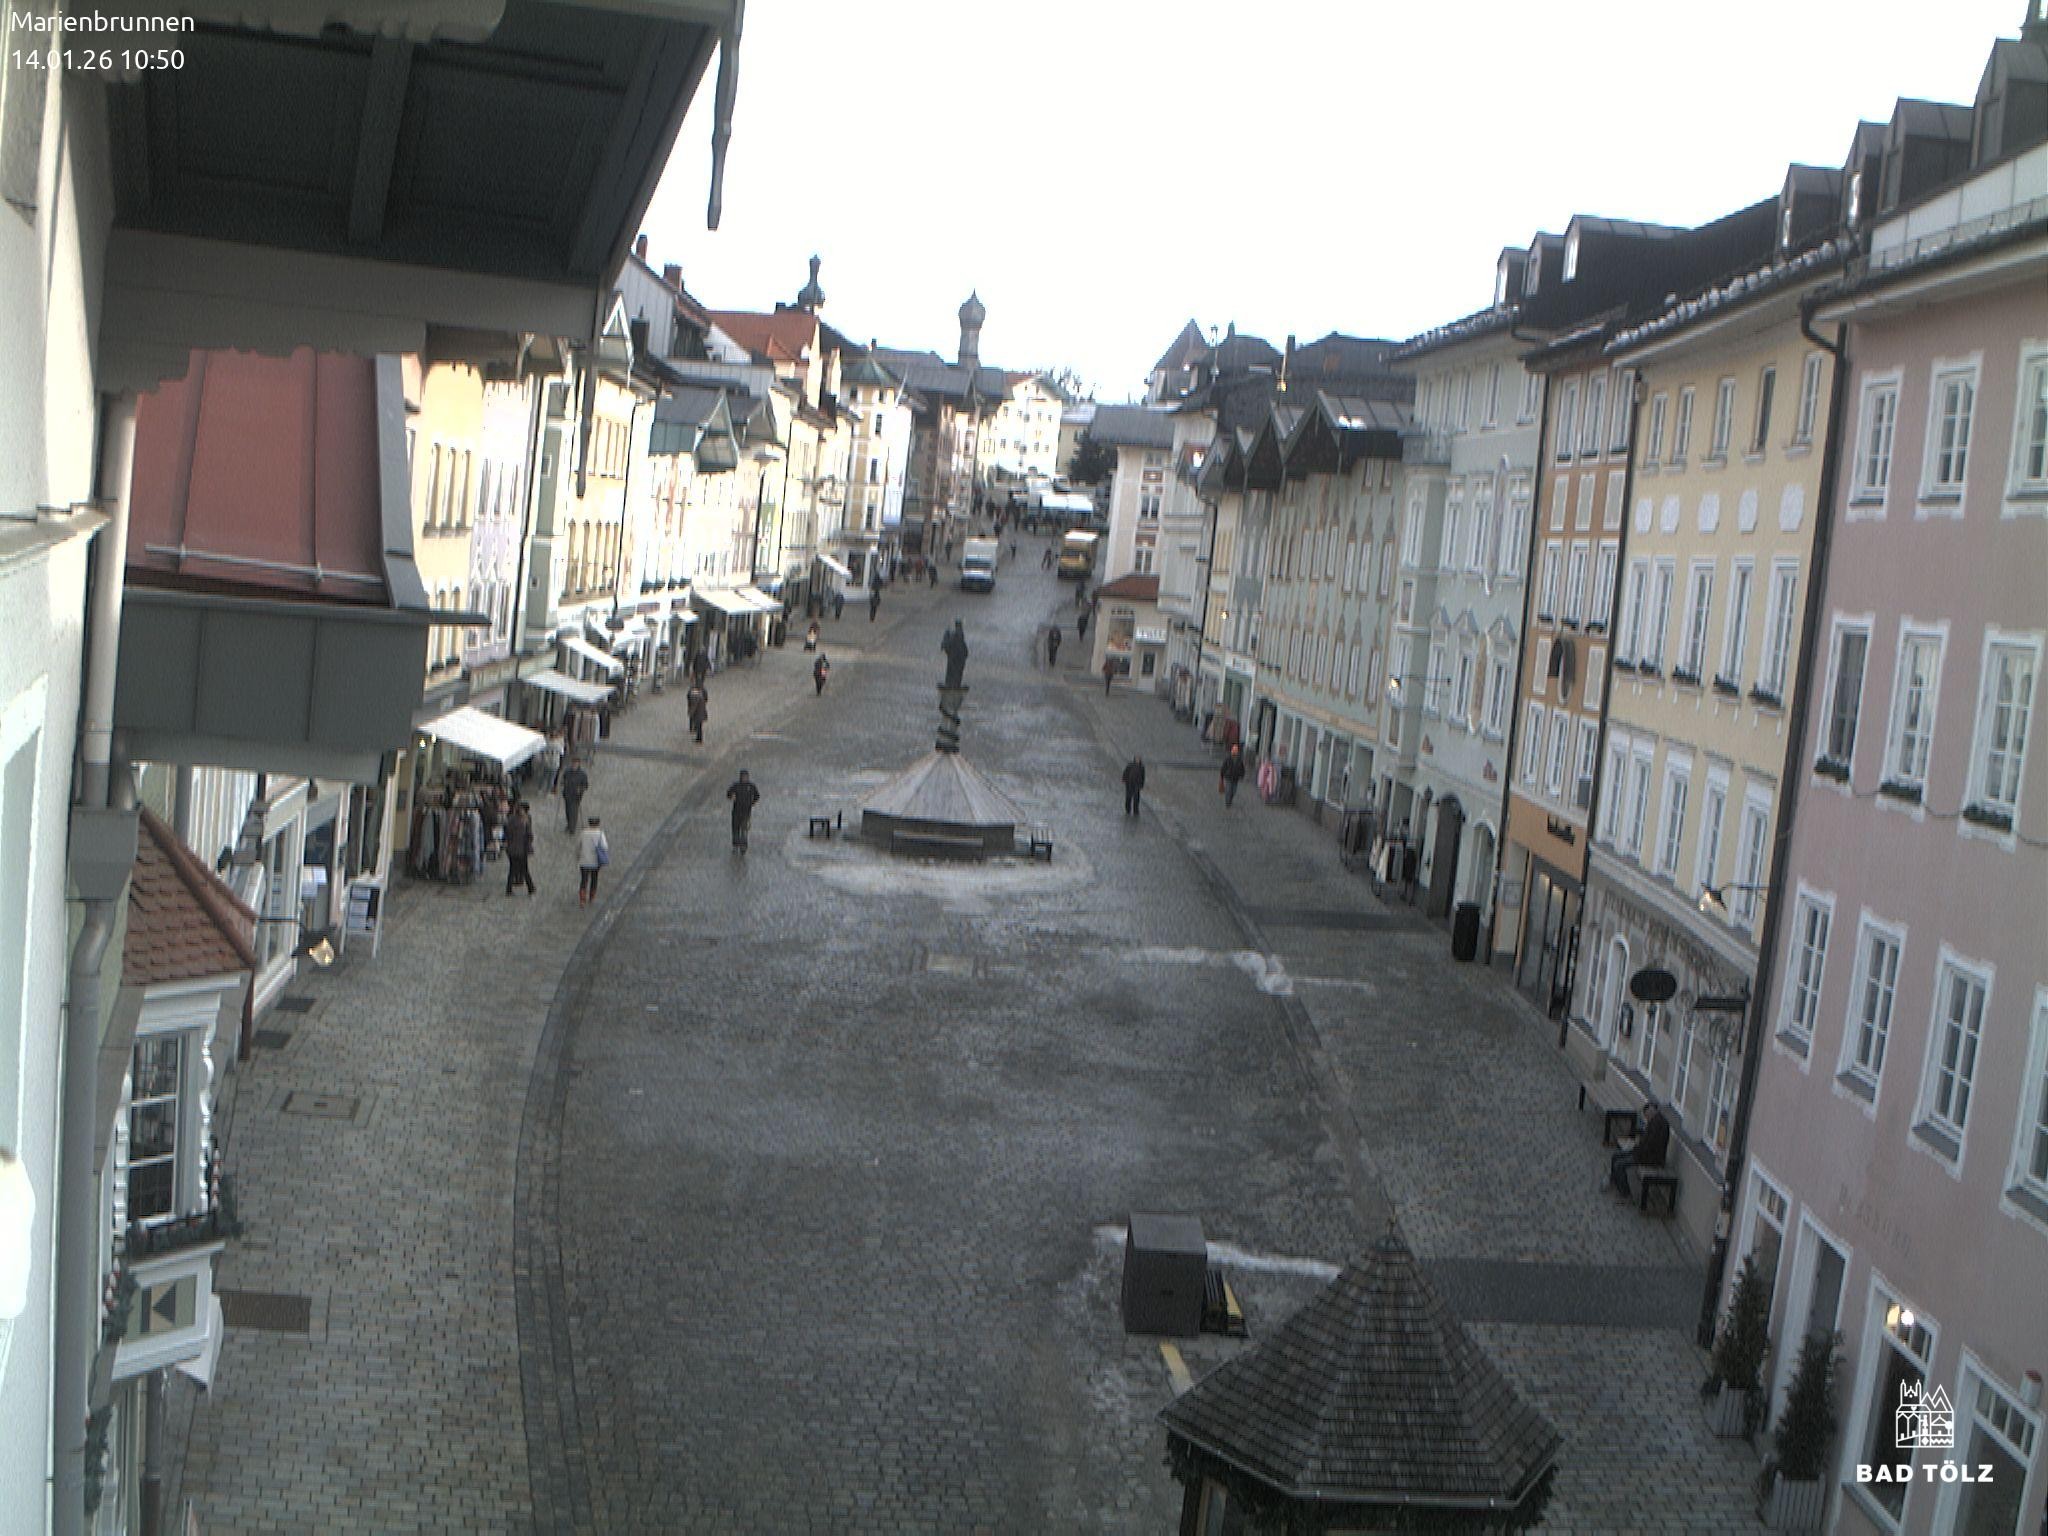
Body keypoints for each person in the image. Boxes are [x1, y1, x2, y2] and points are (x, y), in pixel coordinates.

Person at [1610, 1102, 1671, 1198]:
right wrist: (1635, 1146)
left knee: (1619, 1164)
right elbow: (1646, 1142)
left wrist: (1635, 1150)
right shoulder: (1655, 1121)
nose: (1646, 1118)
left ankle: (1625, 1194)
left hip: (1651, 1158)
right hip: (1644, 1153)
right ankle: (1615, 1180)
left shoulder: (1658, 1124)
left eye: (1646, 1116)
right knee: (1616, 1155)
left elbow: (1650, 1146)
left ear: (1651, 1112)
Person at [503, 801, 536, 895]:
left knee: (512, 869)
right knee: (525, 869)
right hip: (521, 849)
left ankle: (509, 889)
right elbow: (529, 836)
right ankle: (531, 888)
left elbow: (506, 833)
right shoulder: (524, 822)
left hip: (511, 849)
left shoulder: (510, 820)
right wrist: (529, 847)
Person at [575, 816, 609, 905]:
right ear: (598, 824)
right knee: (594, 879)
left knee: (584, 879)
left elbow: (578, 846)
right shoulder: (600, 834)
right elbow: (605, 847)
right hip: (595, 861)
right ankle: (592, 897)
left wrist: (578, 857)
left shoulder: (583, 833)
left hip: (584, 860)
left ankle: (582, 899)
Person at [726, 769, 761, 853]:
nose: (744, 778)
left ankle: (743, 846)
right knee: (735, 829)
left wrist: (752, 803)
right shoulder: (736, 785)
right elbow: (728, 793)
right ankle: (735, 845)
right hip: (736, 811)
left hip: (746, 812)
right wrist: (731, 797)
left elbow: (757, 795)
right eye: (743, 777)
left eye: (746, 777)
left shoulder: (751, 786)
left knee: (744, 829)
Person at [559, 757, 589, 834]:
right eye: (573, 763)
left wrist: (580, 789)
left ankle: (572, 828)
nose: (574, 765)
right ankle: (569, 824)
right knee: (568, 811)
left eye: (576, 764)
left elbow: (585, 786)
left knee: (574, 812)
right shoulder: (567, 771)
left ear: (578, 764)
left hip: (576, 796)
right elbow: (563, 779)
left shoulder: (582, 774)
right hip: (567, 794)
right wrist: (562, 784)